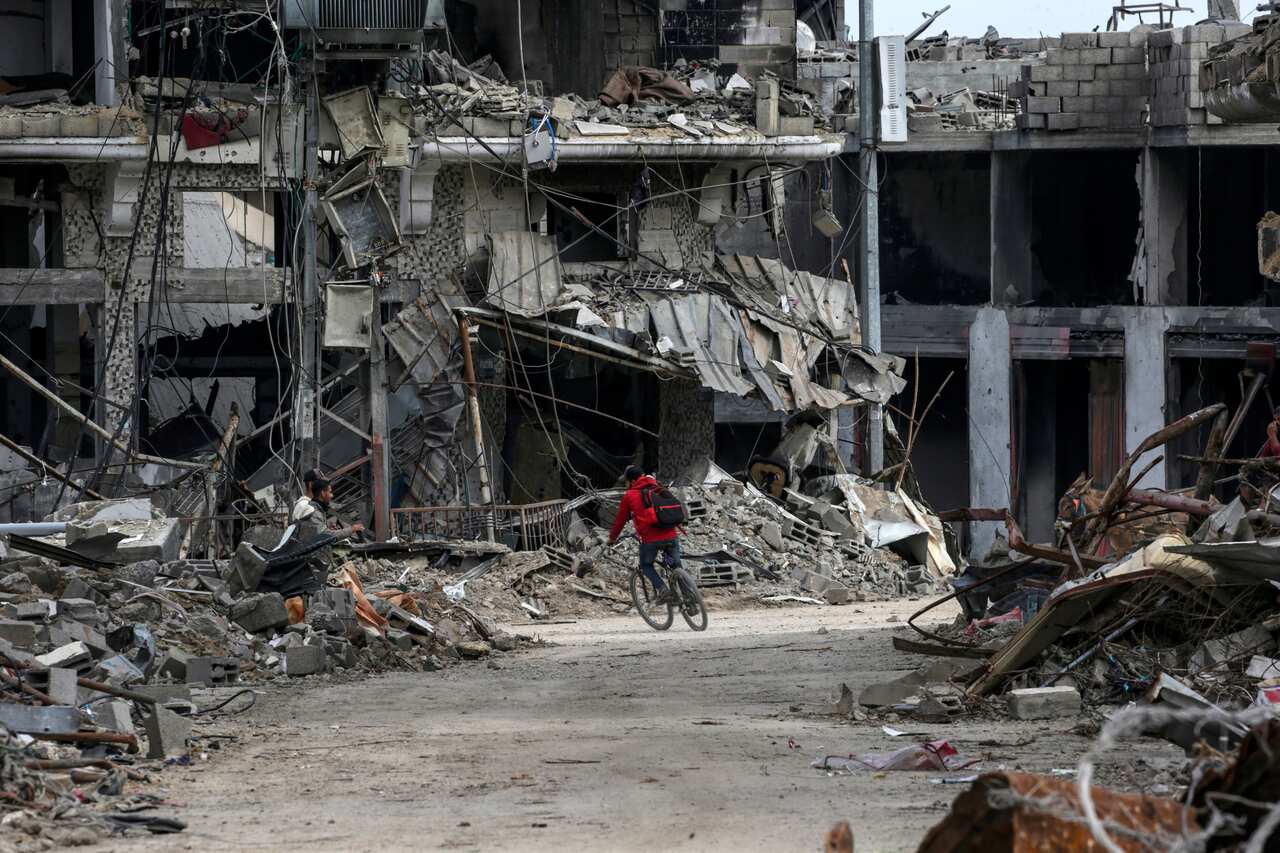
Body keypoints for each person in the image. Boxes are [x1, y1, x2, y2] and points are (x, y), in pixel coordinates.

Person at [608, 466, 680, 603]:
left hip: (650, 539)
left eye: (627, 482)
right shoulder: (658, 487)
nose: (626, 485)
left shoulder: (629, 496)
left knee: (646, 565)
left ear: (633, 481)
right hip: (671, 534)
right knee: (676, 565)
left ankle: (663, 590)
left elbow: (620, 521)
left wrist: (612, 539)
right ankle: (691, 600)